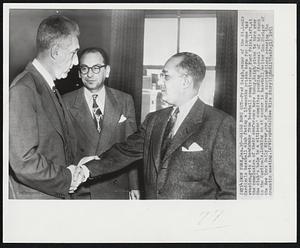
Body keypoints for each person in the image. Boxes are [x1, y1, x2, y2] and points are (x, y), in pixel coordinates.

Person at [76, 52, 236, 199]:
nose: (160, 82)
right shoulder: (154, 120)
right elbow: (124, 152)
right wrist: (86, 170)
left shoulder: (219, 124)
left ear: (186, 82)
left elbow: (230, 191)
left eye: (166, 77)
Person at [9, 15, 84, 199]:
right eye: (74, 53)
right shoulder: (23, 89)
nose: (76, 62)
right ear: (56, 52)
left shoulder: (47, 87)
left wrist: (79, 167)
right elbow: (24, 161)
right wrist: (67, 178)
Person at [63, 47, 140, 200]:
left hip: (117, 187)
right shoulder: (65, 102)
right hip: (82, 189)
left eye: (96, 68)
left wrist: (134, 186)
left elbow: (132, 147)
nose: (90, 74)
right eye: (84, 69)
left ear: (107, 71)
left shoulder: (124, 100)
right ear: (79, 73)